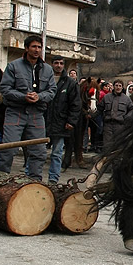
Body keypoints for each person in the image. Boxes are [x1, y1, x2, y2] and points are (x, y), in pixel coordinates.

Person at [0, 35, 56, 179]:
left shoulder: (47, 69)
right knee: (8, 149)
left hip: (37, 114)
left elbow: (52, 91)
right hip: (15, 112)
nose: (37, 50)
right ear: (26, 48)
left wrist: (39, 96)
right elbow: (5, 88)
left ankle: (34, 183)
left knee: (39, 152)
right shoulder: (14, 66)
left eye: (39, 47)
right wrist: (23, 96)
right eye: (33, 47)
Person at [45, 56, 81, 184]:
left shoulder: (70, 83)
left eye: (61, 63)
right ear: (52, 64)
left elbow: (76, 104)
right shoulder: (45, 80)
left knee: (57, 153)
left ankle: (53, 179)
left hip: (61, 123)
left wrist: (71, 121)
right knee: (37, 152)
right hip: (43, 121)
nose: (58, 65)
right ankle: (32, 177)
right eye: (56, 63)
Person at [100, 79, 133, 150]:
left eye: (120, 86)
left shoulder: (126, 99)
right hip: (108, 126)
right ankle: (107, 160)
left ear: (122, 87)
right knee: (107, 146)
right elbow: (100, 109)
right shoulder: (106, 97)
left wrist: (126, 117)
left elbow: (132, 109)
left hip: (120, 126)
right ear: (113, 87)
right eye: (116, 85)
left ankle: (117, 161)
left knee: (119, 146)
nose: (118, 87)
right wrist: (91, 115)